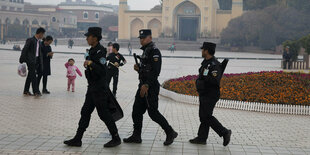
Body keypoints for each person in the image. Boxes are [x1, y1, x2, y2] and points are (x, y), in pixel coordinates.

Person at [64, 27, 121, 148]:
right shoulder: (92, 50)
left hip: (99, 88)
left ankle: (116, 138)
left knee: (103, 113)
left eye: (88, 36)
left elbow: (102, 71)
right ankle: (78, 139)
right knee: (85, 112)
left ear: (95, 38)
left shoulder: (100, 51)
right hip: (92, 87)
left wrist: (91, 64)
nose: (86, 38)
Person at [123, 29, 178, 146]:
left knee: (153, 113)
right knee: (136, 111)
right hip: (142, 85)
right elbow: (147, 69)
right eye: (140, 38)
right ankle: (136, 136)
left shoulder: (154, 52)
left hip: (150, 87)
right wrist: (139, 69)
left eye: (143, 38)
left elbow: (155, 71)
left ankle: (170, 132)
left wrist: (147, 85)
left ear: (150, 38)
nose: (141, 40)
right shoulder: (146, 51)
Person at [189, 42, 231, 146]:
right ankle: (202, 138)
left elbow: (215, 81)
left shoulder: (214, 64)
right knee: (203, 116)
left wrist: (203, 79)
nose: (202, 51)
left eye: (203, 50)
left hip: (210, 94)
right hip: (204, 93)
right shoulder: (206, 62)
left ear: (207, 51)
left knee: (207, 116)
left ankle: (224, 132)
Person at [19, 27, 45, 97]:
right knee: (33, 76)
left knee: (30, 76)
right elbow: (25, 49)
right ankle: (36, 91)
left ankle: (26, 90)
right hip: (30, 61)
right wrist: (22, 59)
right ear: (40, 33)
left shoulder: (38, 41)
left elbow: (38, 53)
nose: (43, 36)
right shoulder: (30, 40)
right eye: (43, 34)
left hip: (36, 60)